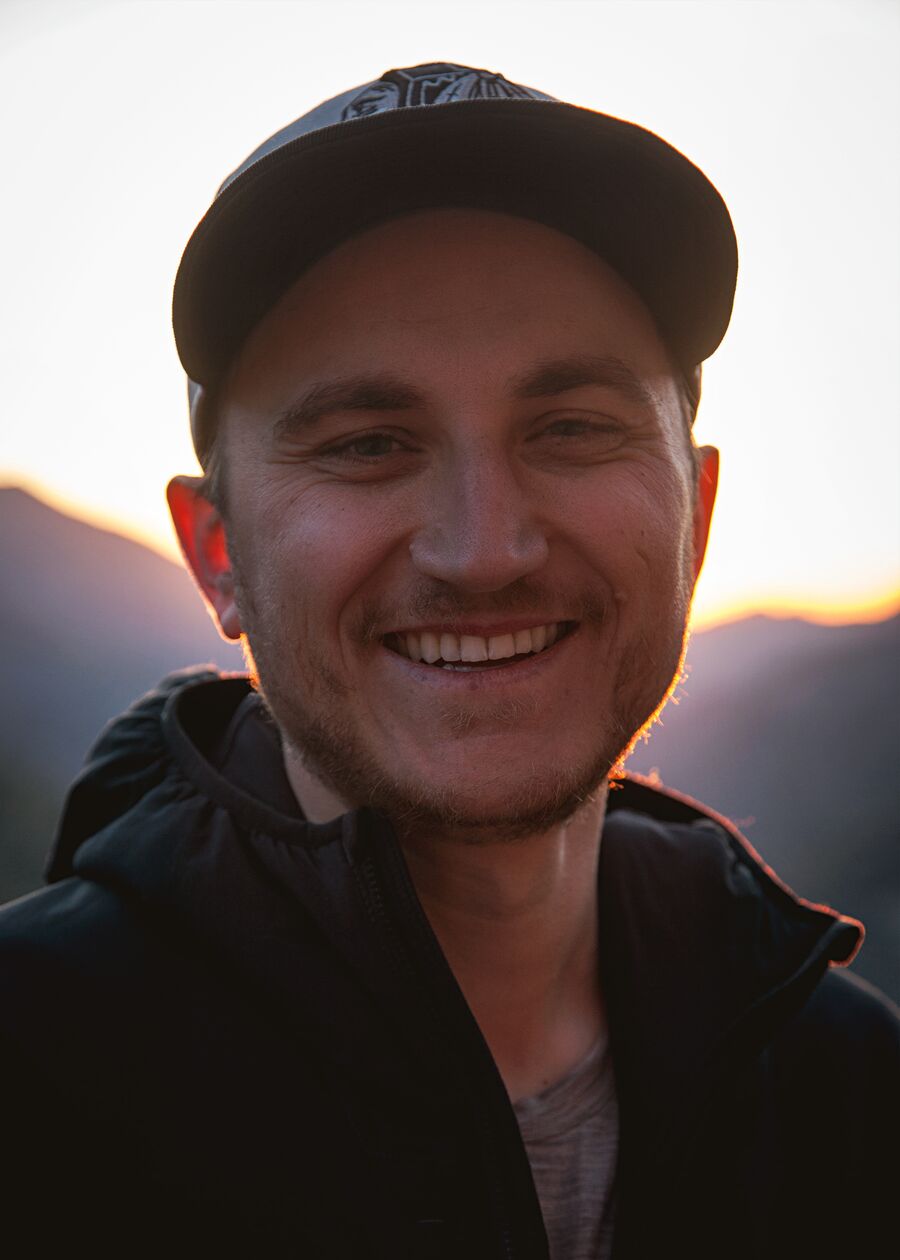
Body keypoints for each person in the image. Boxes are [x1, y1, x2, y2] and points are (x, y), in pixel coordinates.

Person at [1, 63, 897, 1260]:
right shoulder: (36, 1089)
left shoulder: (857, 1097)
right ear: (219, 555)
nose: (485, 549)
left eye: (572, 428)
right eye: (369, 444)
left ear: (699, 517)